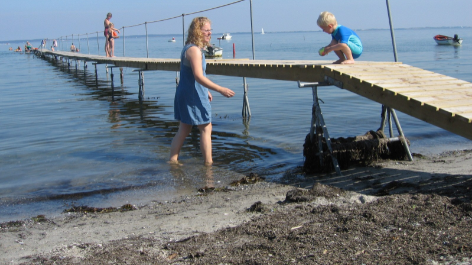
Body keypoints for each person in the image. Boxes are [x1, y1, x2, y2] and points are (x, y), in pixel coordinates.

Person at [169, 17, 235, 166]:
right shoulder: (194, 51)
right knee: (206, 127)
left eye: (210, 30)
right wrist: (220, 89)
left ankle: (173, 161)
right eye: (206, 30)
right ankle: (208, 164)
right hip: (191, 95)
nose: (209, 33)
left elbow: (194, 75)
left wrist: (206, 91)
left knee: (184, 129)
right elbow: (198, 76)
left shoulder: (189, 48)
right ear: (197, 31)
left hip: (187, 92)